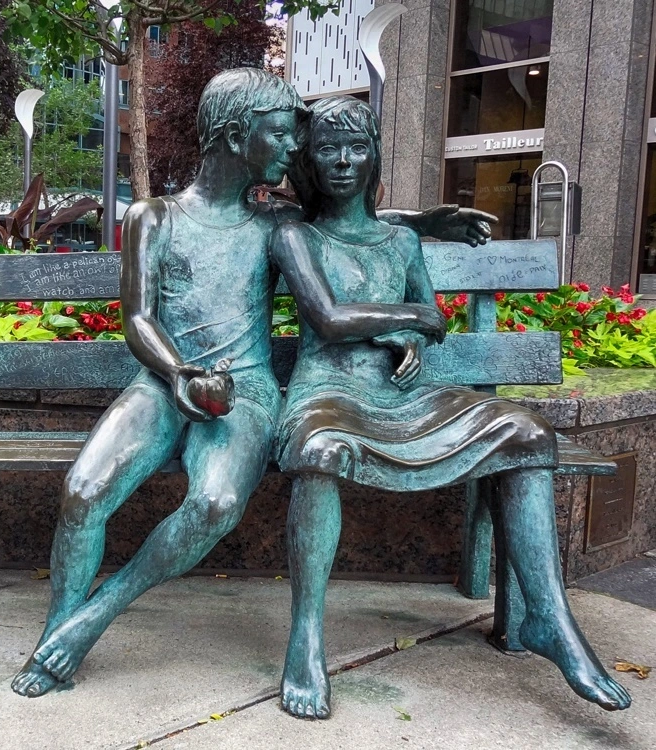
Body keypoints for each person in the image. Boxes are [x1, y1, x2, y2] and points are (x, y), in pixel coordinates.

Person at [11, 68, 496, 698]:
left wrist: (423, 222)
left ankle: (90, 619)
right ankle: (58, 633)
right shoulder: (153, 217)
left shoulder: (276, 225)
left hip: (246, 394)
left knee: (214, 505)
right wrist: (178, 373)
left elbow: (341, 217)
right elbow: (138, 318)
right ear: (238, 138)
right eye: (281, 137)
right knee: (81, 493)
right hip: (161, 383)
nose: (296, 151)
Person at [271, 96, 632, 719]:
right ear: (307, 158)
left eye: (357, 147)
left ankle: (549, 619)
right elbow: (329, 321)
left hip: (402, 396)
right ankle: (306, 639)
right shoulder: (294, 235)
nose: (341, 161)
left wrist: (408, 331)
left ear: (375, 155)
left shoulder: (399, 242)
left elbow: (434, 316)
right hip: (325, 393)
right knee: (319, 450)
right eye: (326, 148)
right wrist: (404, 320)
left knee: (525, 430)